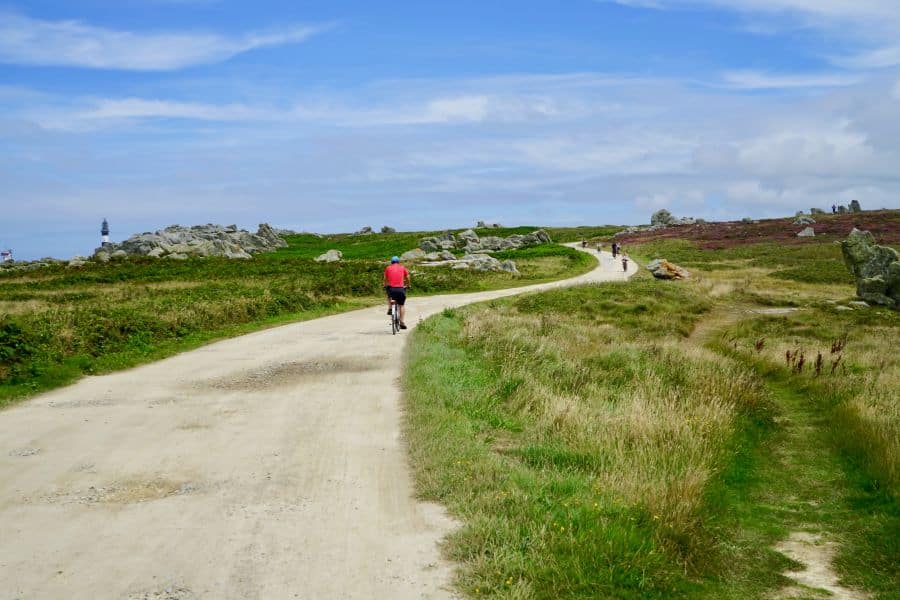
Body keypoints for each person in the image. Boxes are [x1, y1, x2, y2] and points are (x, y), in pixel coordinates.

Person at [383, 256, 411, 329]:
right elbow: (407, 277)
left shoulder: (388, 268)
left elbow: (385, 278)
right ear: (398, 262)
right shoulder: (403, 267)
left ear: (391, 262)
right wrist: (408, 285)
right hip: (400, 289)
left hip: (391, 289)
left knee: (389, 296)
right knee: (401, 305)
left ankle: (390, 308)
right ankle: (401, 322)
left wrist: (385, 285)